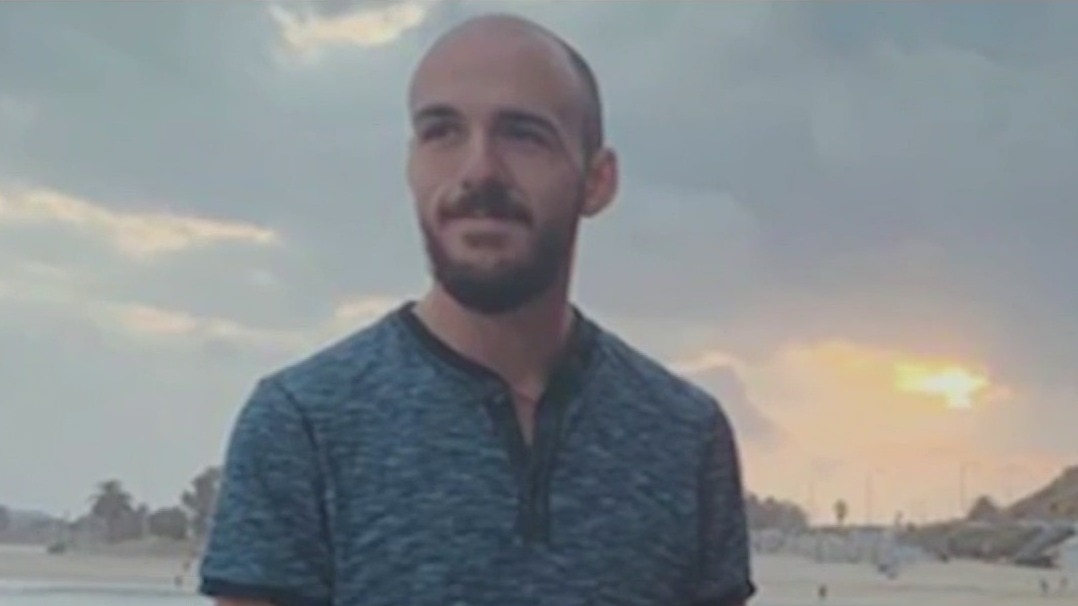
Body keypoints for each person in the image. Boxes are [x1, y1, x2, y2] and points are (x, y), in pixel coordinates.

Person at [199, 12, 756, 606]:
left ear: (597, 181)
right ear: (412, 165)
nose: (479, 170)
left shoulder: (684, 436)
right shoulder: (302, 425)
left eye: (523, 135)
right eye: (443, 132)